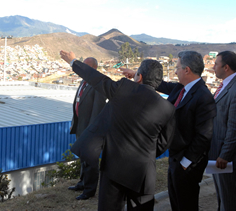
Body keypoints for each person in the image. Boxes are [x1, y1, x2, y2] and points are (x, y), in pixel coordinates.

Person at [60, 50, 176, 211]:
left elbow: (98, 80)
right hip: (143, 174)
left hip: (114, 168)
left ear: (139, 77)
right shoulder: (168, 109)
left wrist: (73, 61)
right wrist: (145, 152)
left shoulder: (123, 88)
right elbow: (163, 143)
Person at [122, 51, 216, 211]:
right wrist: (139, 75)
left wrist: (185, 163)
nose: (175, 71)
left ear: (187, 70)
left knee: (186, 204)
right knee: (176, 202)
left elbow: (204, 135)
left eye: (177, 67)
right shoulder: (181, 88)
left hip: (188, 162)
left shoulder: (203, 97)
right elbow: (161, 84)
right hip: (175, 157)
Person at [208, 51, 236, 211]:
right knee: (221, 195)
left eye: (216, 64)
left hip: (225, 156)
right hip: (217, 150)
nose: (213, 67)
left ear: (226, 67)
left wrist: (225, 155)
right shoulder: (227, 84)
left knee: (228, 197)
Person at [67, 57, 107, 200]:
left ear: (93, 68)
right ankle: (82, 183)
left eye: (85, 66)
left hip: (90, 130)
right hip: (80, 127)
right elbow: (77, 105)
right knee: (83, 157)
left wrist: (91, 132)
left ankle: (89, 190)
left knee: (90, 161)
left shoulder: (98, 85)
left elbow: (97, 110)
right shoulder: (83, 82)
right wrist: (74, 121)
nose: (82, 68)